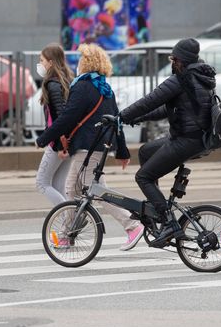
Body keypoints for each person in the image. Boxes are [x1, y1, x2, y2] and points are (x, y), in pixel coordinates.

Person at [34, 43, 141, 250]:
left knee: (88, 191)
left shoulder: (83, 86)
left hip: (87, 147)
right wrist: (122, 150)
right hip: (100, 145)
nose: (79, 63)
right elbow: (116, 120)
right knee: (78, 190)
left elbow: (68, 117)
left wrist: (44, 138)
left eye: (82, 59)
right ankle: (69, 234)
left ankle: (132, 225)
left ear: (87, 62)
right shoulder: (104, 87)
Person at [118, 38, 216, 248]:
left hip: (185, 140)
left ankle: (168, 222)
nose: (172, 62)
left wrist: (121, 116)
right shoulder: (199, 78)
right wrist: (136, 118)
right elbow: (166, 109)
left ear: (181, 60)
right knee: (146, 152)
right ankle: (158, 209)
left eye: (174, 58)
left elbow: (150, 100)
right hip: (196, 139)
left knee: (143, 177)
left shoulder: (181, 80)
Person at [35, 43, 75, 205]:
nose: (40, 64)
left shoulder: (53, 84)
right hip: (68, 141)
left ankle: (70, 218)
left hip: (58, 142)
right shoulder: (66, 81)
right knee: (58, 185)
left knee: (42, 183)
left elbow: (60, 116)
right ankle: (70, 223)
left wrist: (59, 145)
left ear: (51, 63)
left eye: (42, 60)